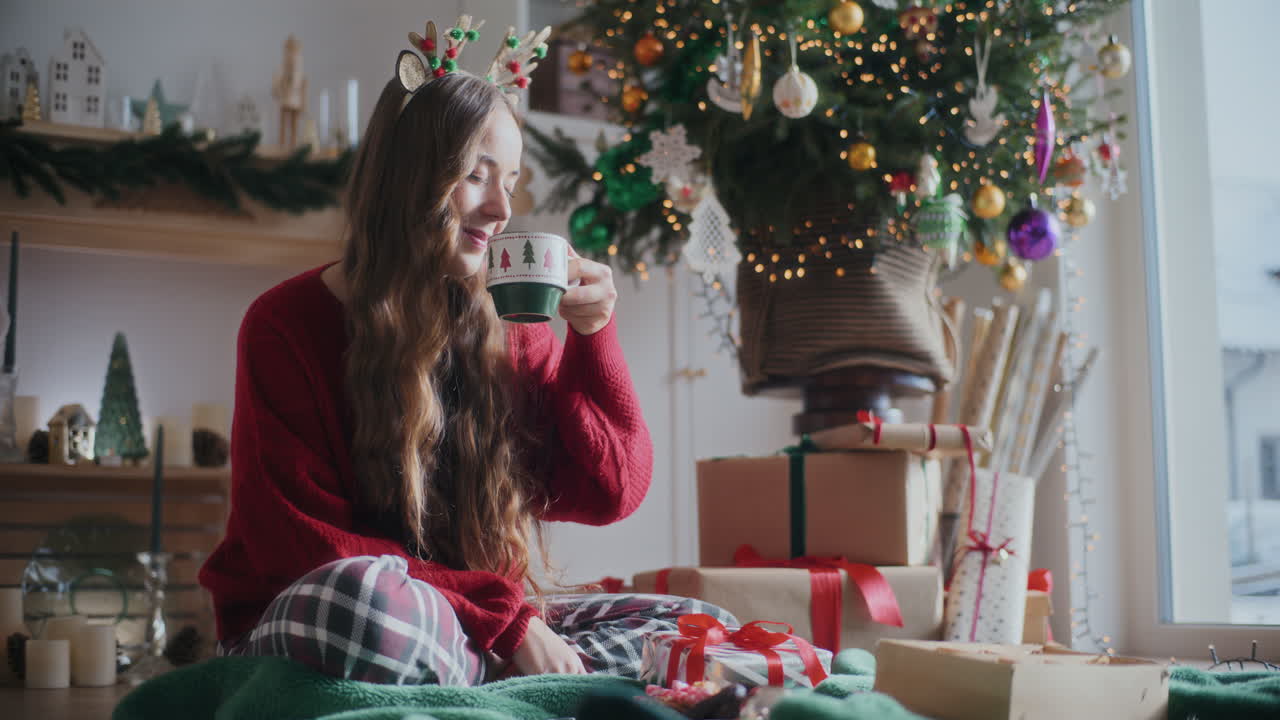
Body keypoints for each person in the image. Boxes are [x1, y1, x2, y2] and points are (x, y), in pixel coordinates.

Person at [198, 19, 734, 686]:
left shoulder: (511, 321)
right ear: (409, 178)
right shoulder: (283, 325)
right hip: (326, 620)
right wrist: (507, 624)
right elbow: (305, 549)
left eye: (511, 180)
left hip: (470, 626)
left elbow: (609, 492)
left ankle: (494, 678)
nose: (502, 207)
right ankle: (525, 678)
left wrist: (594, 339)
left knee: (703, 629)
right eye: (478, 176)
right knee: (363, 601)